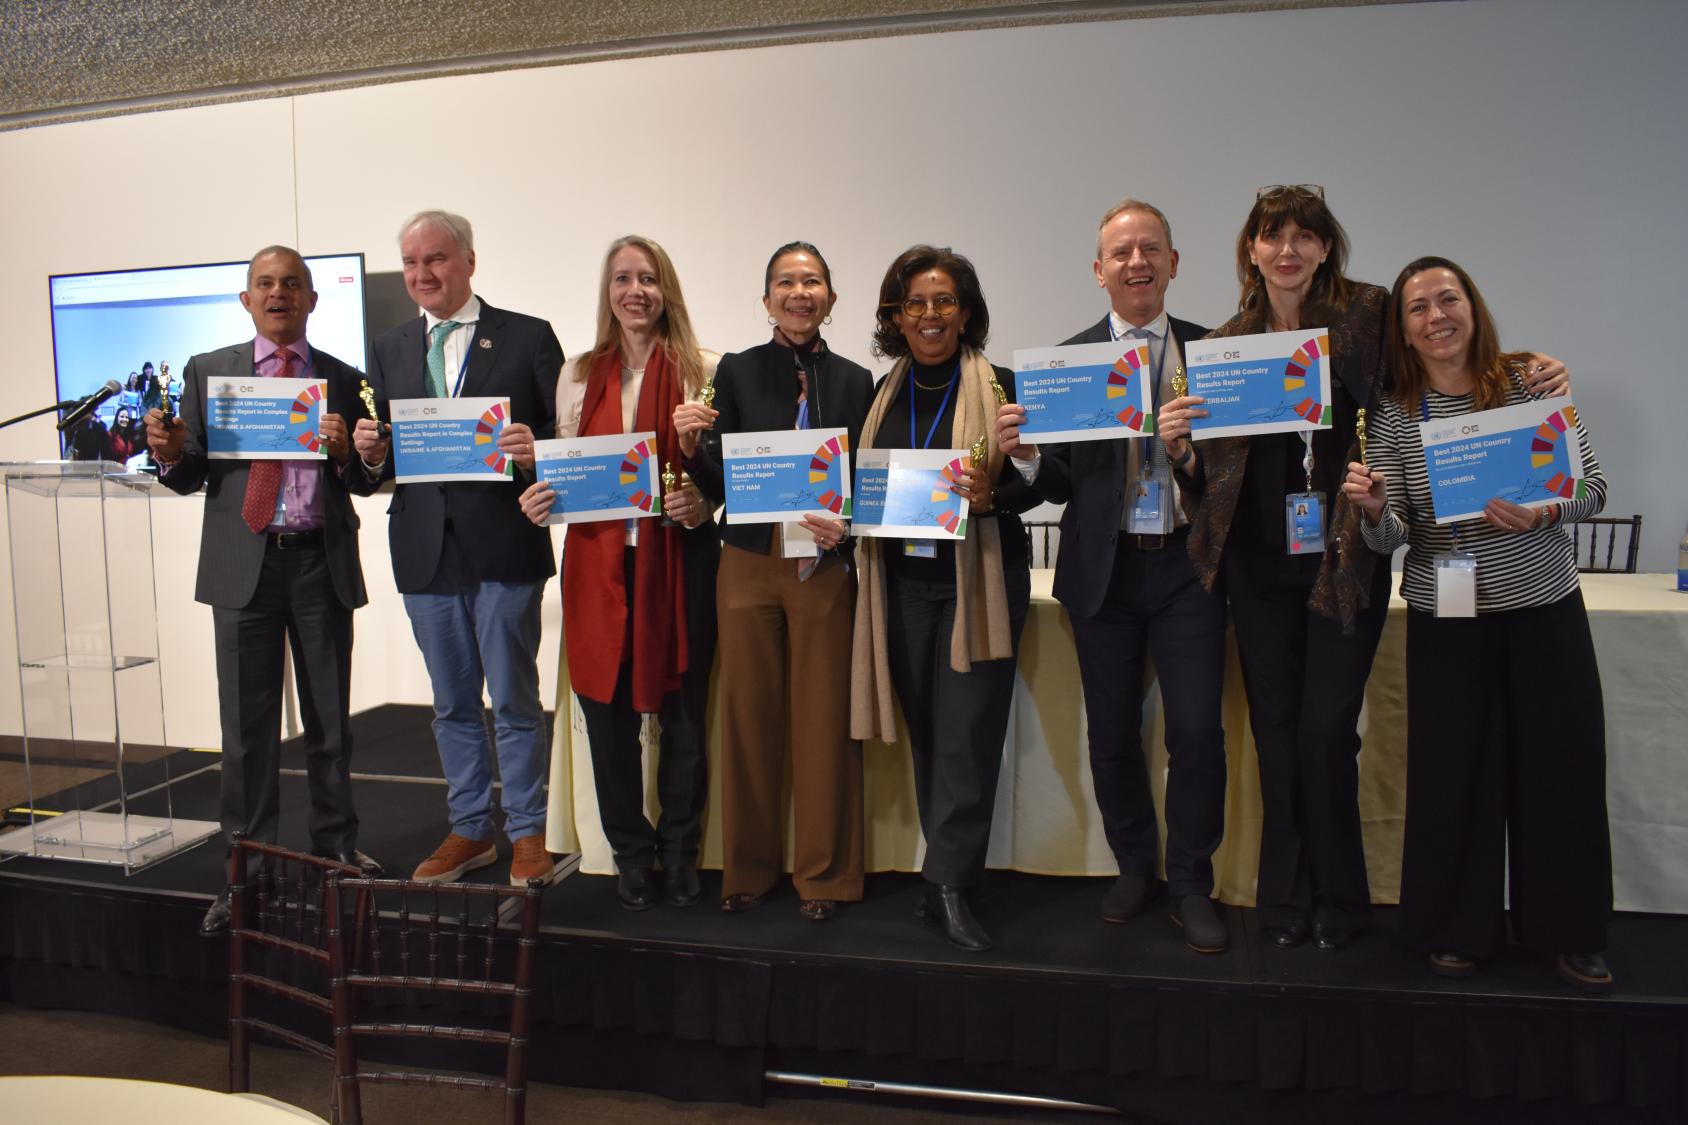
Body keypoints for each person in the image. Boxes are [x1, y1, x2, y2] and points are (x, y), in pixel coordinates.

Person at [1159, 187, 1568, 954]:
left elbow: (1446, 348)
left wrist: (1530, 368)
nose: (1289, 249)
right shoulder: (1224, 343)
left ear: (1325, 247)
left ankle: (1342, 902)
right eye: (1273, 236)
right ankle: (1285, 901)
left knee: (1325, 732)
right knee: (1277, 736)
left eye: (1304, 236)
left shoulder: (1371, 313)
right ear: (1251, 250)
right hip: (1255, 563)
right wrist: (1181, 450)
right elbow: (1209, 479)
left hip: (1346, 558)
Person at [1343, 257, 1612, 991]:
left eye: (1447, 298)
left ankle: (1571, 931)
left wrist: (1543, 510)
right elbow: (1391, 534)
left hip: (1543, 608)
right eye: (1418, 308)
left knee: (1561, 773)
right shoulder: (1395, 411)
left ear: (1471, 305)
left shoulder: (1529, 383)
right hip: (1448, 615)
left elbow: (1591, 487)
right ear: (1402, 329)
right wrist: (1371, 510)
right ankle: (1454, 927)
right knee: (1453, 776)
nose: (1436, 317)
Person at [995, 200, 1230, 954]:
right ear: (1099, 271)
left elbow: (1235, 477)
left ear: (1173, 262)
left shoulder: (1214, 352)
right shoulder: (1067, 365)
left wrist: (1192, 455)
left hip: (1190, 568)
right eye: (1121, 252)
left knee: (1196, 732)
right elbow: (1057, 480)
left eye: (1149, 248)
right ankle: (1137, 863)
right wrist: (1026, 454)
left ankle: (1193, 882)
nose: (1136, 262)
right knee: (1113, 734)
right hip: (1104, 573)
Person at [145, 245, 379, 937]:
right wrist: (167, 450)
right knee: (246, 734)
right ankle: (246, 872)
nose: (279, 293)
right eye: (266, 284)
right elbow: (189, 473)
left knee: (331, 724)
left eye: (293, 284)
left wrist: (348, 452)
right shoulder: (207, 371)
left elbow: (366, 479)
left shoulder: (344, 377)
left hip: (318, 562)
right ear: (246, 299)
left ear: (312, 300)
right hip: (243, 564)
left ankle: (334, 852)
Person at [353, 210, 562, 887]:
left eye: (435, 260)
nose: (422, 275)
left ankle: (527, 831)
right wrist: (367, 452)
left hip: (504, 544)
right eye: (412, 264)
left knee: (514, 698)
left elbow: (567, 442)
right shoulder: (387, 348)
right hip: (424, 549)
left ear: (469, 260)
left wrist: (538, 450)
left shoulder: (528, 337)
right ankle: (471, 828)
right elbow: (374, 468)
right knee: (451, 704)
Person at [516, 235, 720, 911]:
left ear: (668, 290)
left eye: (649, 278)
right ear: (608, 292)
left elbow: (721, 476)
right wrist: (538, 491)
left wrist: (701, 501)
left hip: (680, 559)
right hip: (598, 564)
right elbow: (569, 468)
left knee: (684, 718)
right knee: (605, 716)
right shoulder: (577, 373)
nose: (636, 291)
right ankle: (631, 853)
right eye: (622, 278)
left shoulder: (705, 368)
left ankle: (680, 848)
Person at [675, 241, 875, 921]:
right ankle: (750, 869)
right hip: (748, 561)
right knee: (748, 717)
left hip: (823, 566)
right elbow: (717, 479)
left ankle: (826, 876)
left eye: (812, 280)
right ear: (766, 300)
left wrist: (845, 522)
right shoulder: (735, 371)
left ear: (831, 297)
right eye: (785, 282)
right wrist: (689, 445)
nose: (799, 292)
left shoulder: (855, 380)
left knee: (825, 722)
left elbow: (865, 479)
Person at [851, 245, 1041, 952]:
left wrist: (998, 492)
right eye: (915, 303)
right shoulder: (881, 395)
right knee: (930, 732)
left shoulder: (1001, 386)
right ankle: (942, 878)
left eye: (944, 301)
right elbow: (860, 483)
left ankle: (952, 885)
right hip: (901, 585)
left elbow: (1046, 479)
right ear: (895, 316)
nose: (930, 315)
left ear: (966, 311)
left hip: (976, 581)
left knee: (967, 733)